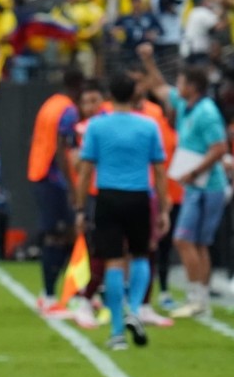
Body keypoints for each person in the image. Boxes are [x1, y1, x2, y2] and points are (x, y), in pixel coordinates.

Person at [73, 73, 170, 350]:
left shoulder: (96, 127)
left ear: (109, 97)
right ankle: (135, 310)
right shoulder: (149, 126)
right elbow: (160, 171)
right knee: (141, 256)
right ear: (134, 96)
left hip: (108, 197)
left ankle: (117, 330)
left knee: (113, 262)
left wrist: (81, 208)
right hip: (140, 196)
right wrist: (163, 207)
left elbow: (85, 170)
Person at [139, 44, 229, 318]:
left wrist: (194, 172)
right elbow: (159, 88)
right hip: (197, 184)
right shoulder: (187, 105)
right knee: (198, 242)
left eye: (181, 82)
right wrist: (148, 61)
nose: (176, 86)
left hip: (205, 184)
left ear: (193, 86)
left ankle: (195, 295)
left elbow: (220, 148)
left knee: (184, 239)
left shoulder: (206, 113)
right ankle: (200, 298)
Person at [27, 68, 83, 318]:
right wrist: (72, 187)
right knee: (57, 235)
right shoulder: (68, 109)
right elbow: (62, 149)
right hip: (54, 179)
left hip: (39, 172)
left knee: (63, 234)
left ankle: (65, 293)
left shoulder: (50, 104)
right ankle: (50, 297)